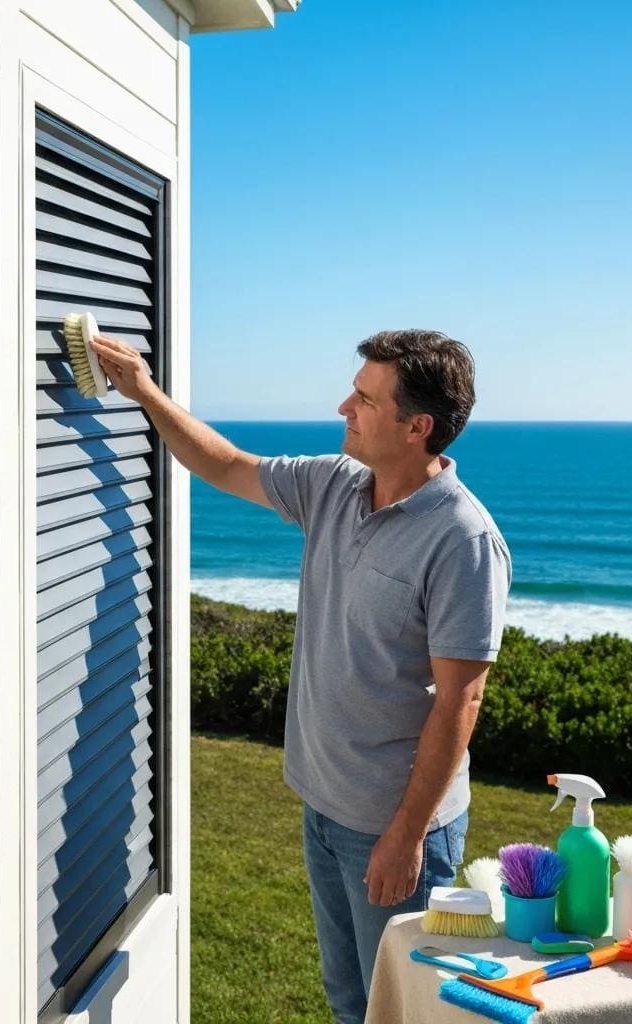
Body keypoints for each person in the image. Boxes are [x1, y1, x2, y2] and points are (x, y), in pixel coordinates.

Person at [90, 328, 512, 1024]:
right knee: (349, 1000)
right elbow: (224, 463)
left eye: (366, 399)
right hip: (322, 806)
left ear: (418, 427)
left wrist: (406, 837)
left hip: (394, 826)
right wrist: (144, 393)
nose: (343, 406)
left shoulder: (462, 540)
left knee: (402, 1012)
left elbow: (460, 703)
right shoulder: (334, 485)